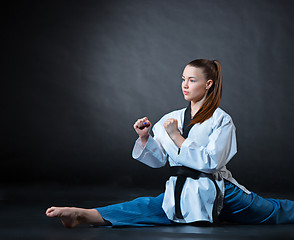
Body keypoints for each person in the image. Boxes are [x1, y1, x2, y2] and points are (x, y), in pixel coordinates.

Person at [46, 59, 294, 228]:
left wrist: (178, 137)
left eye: (192, 80)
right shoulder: (170, 118)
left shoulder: (221, 120)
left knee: (271, 212)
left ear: (208, 84)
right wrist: (145, 138)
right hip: (180, 190)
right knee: (144, 207)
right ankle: (82, 215)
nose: (185, 85)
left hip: (219, 191)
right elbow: (159, 161)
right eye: (183, 79)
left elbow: (211, 162)